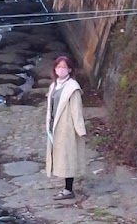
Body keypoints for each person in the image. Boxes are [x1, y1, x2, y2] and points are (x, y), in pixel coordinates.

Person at [45, 54, 87, 201]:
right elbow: (51, 106)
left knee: (68, 156)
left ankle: (68, 189)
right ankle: (66, 188)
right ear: (55, 69)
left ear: (70, 70)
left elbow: (77, 110)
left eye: (64, 67)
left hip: (67, 126)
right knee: (60, 155)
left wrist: (80, 130)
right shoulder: (54, 85)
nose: (61, 70)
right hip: (55, 124)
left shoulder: (72, 88)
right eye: (58, 67)